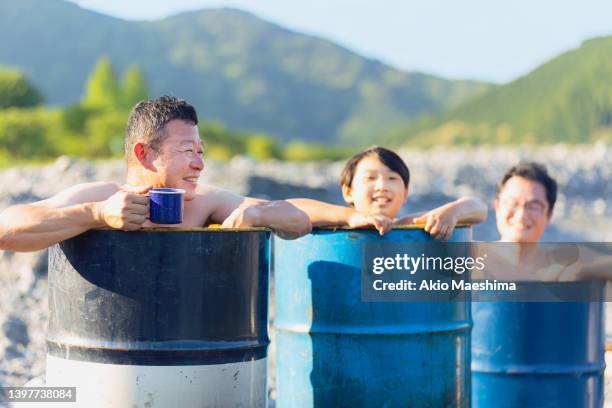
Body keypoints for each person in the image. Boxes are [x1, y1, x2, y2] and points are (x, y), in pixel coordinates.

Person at [0, 96, 312, 252]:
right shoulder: (103, 198)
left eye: (200, 151)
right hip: (109, 354)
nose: (199, 165)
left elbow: (299, 219)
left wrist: (257, 215)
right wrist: (96, 215)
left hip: (192, 353)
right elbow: (6, 229)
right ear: (144, 154)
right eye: (187, 150)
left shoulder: (204, 203)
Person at [288, 146, 487, 239]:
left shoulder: (409, 225)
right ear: (348, 192)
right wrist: (351, 217)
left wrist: (453, 211)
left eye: (392, 178)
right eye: (370, 178)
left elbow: (479, 209)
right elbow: (289, 209)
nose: (382, 186)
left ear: (406, 193)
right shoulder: (337, 220)